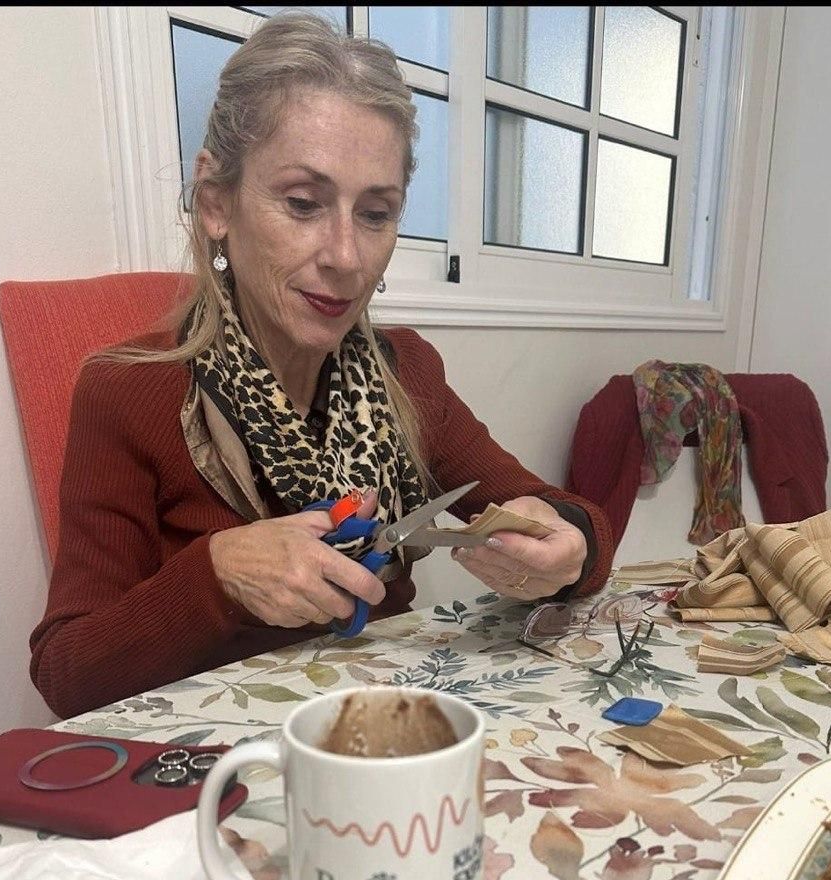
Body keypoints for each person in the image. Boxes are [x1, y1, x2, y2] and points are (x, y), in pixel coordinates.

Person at [30, 12, 613, 719]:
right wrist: (217, 577)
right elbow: (66, 672)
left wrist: (564, 545)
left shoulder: (408, 374)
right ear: (216, 202)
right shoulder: (129, 390)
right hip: (220, 771)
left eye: (375, 213)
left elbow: (568, 517)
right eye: (303, 204)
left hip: (390, 730)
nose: (345, 256)